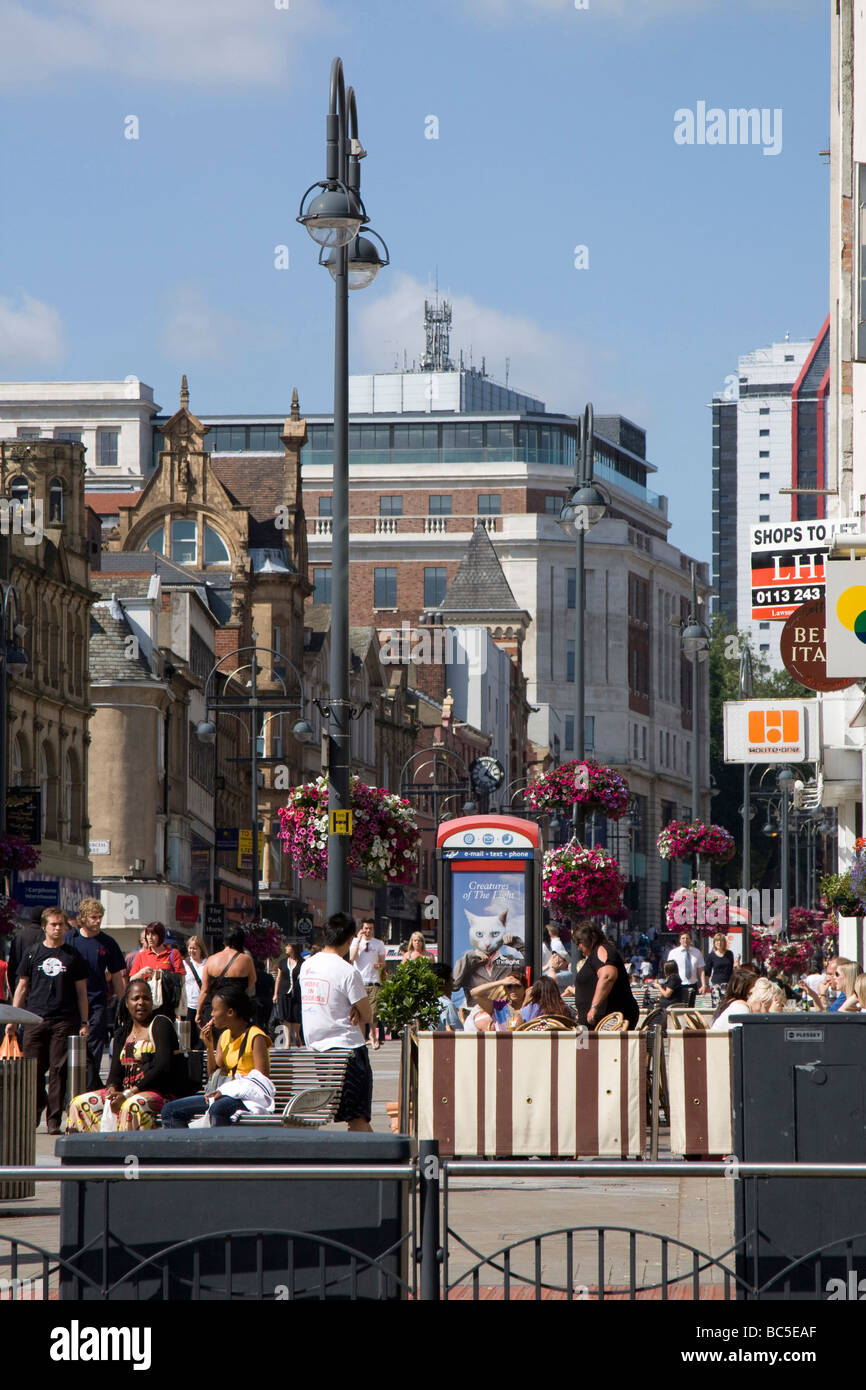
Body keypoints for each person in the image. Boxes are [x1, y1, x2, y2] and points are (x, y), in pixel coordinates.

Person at [5, 907, 89, 1134]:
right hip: (34, 1018)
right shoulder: (32, 953)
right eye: (53, 924)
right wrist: (13, 1018)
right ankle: (33, 1111)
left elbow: (82, 992)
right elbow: (22, 986)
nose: (58, 928)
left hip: (64, 1019)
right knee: (32, 1070)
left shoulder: (72, 956)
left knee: (58, 1071)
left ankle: (53, 1121)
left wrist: (84, 1022)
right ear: (44, 927)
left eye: (61, 924)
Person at [67, 980, 192, 1131]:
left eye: (146, 998)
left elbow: (163, 1065)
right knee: (79, 1103)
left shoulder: (160, 1024)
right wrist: (112, 1089)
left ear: (152, 1002)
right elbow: (115, 1072)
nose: (141, 1002)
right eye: (136, 998)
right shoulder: (123, 1032)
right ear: (127, 1003)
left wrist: (129, 1093)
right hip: (125, 1092)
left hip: (157, 1092)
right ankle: (88, 1152)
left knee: (131, 1106)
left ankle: (127, 1153)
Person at [299, 912, 374, 1133]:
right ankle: (385, 1165)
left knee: (351, 1117)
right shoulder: (347, 971)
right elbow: (367, 1014)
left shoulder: (307, 966)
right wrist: (356, 1010)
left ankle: (365, 1164)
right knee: (357, 1119)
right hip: (348, 1051)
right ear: (351, 939)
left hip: (321, 1054)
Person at [162, 981, 272, 1128]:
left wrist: (228, 1091)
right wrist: (209, 1045)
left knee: (218, 1109)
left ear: (230, 1012)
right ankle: (186, 1149)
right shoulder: (225, 1035)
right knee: (170, 1110)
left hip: (245, 1098)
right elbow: (213, 1072)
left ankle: (218, 1150)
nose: (211, 1015)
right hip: (222, 1094)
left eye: (214, 1010)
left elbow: (261, 1079)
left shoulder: (256, 1036)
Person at [65, 898, 126, 1091]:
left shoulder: (108, 943)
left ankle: (89, 1088)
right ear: (83, 918)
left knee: (94, 1047)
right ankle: (71, 1089)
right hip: (71, 1002)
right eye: (93, 917)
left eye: (100, 917)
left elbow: (117, 977)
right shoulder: (69, 939)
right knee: (70, 1048)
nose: (97, 921)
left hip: (98, 1002)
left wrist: (124, 1004)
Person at [567, 920, 640, 1030]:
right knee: (580, 1047)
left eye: (579, 943)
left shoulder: (602, 949)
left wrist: (594, 1007)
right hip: (590, 1023)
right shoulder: (596, 953)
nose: (578, 948)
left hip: (606, 1021)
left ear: (587, 940)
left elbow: (608, 976)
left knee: (583, 1047)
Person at [195, 926, 257, 1028]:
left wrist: (198, 1012)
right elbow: (251, 982)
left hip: (215, 1012)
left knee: (216, 1043)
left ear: (224, 941)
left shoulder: (211, 960)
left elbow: (204, 990)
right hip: (238, 1012)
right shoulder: (246, 960)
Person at [349, 917, 387, 1049]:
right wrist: (358, 940)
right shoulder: (355, 942)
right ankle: (361, 1038)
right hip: (359, 981)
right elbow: (352, 958)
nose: (368, 931)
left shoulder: (378, 943)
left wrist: (380, 965)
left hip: (373, 981)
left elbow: (383, 963)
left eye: (370, 928)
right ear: (361, 929)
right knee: (358, 1012)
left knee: (373, 1011)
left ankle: (373, 1035)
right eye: (366, 928)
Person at [273, 942, 303, 1046]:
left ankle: (296, 1035)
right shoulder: (283, 962)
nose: (286, 948)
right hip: (283, 991)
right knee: (285, 1017)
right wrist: (275, 994)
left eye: (288, 946)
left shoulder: (302, 962)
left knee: (295, 1015)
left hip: (297, 993)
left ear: (294, 948)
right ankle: (288, 1042)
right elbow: (278, 978)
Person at [710, 966, 757, 1030]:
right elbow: (744, 1034)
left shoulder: (729, 1002)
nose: (756, 990)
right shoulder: (740, 1007)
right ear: (746, 988)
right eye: (754, 986)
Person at [666, 931, 708, 1003]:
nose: (685, 940)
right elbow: (668, 970)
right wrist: (669, 985)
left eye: (687, 938)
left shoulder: (697, 952)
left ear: (690, 940)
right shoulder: (673, 953)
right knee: (679, 1008)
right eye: (683, 938)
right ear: (679, 940)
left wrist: (703, 985)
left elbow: (701, 970)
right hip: (678, 985)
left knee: (691, 1008)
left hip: (692, 984)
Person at [181, 935, 208, 1046]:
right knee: (187, 1039)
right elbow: (181, 985)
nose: (192, 951)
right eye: (190, 948)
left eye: (195, 948)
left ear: (201, 949)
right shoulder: (184, 964)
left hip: (204, 1006)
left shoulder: (207, 963)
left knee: (202, 1038)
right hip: (188, 1006)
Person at [705, 932, 735, 1006]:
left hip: (727, 983)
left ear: (724, 942)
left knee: (727, 1005)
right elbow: (707, 972)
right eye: (717, 941)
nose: (719, 943)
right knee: (717, 1005)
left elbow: (731, 969)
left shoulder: (729, 954)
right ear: (714, 943)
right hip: (716, 984)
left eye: (721, 941)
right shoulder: (711, 956)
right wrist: (705, 985)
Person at [432, 962, 463, 1031]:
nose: (453, 980)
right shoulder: (447, 1005)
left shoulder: (423, 1003)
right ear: (444, 982)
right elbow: (458, 1034)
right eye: (451, 978)